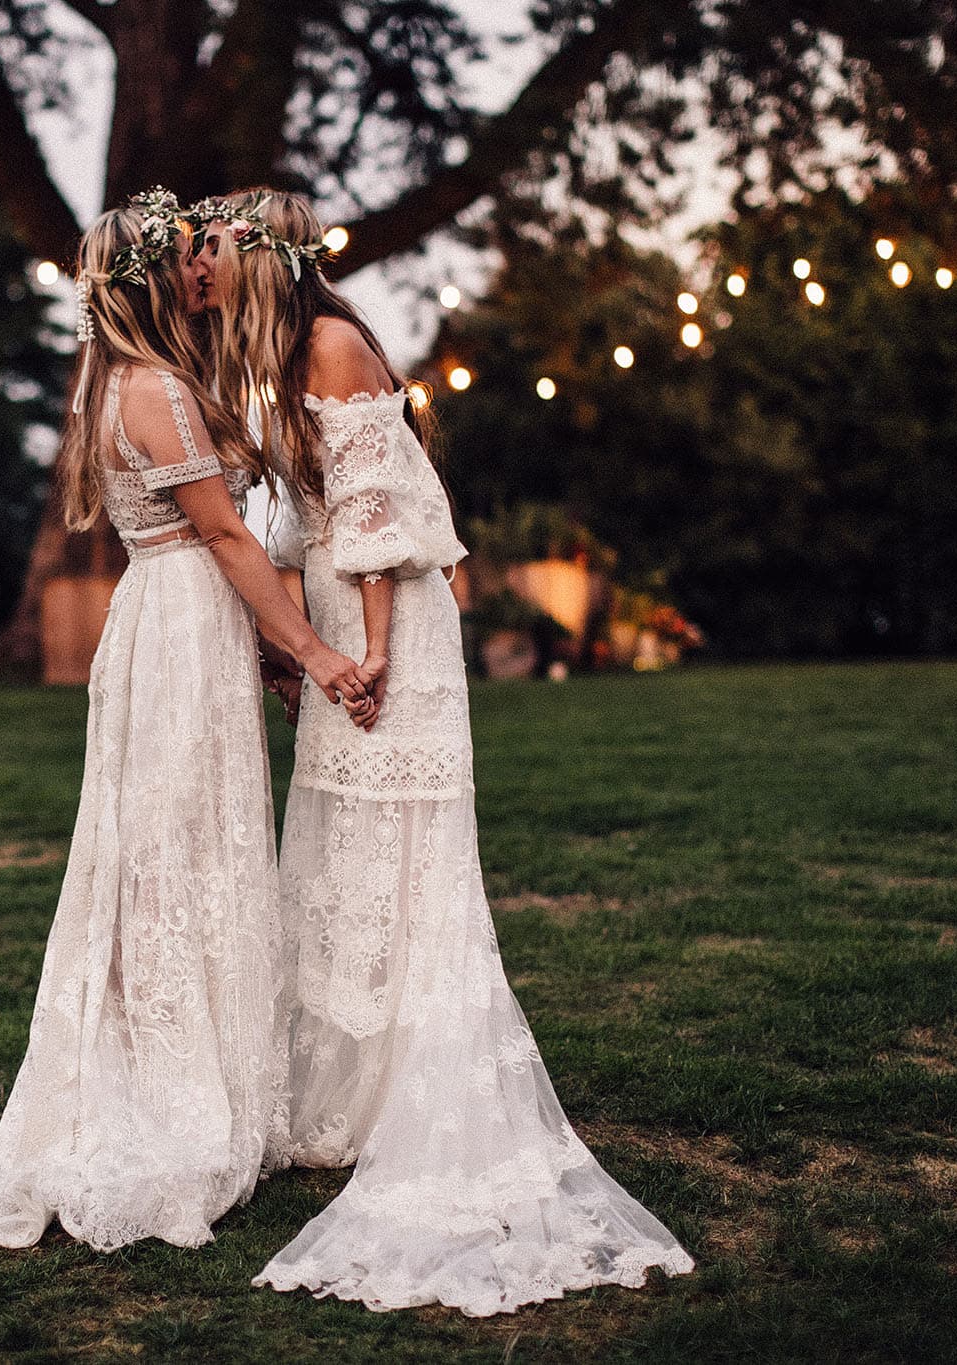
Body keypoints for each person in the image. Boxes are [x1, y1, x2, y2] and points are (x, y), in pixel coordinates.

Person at [185, 189, 699, 1314]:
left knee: (405, 855)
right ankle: (351, 1103)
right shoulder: (275, 358)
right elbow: (301, 522)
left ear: (261, 259)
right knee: (338, 854)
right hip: (338, 622)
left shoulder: (330, 345)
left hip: (395, 632)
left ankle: (424, 1096)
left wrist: (367, 653)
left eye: (210, 248)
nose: (197, 265)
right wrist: (292, 645)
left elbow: (373, 516)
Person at [0, 190, 374, 1254]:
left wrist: (267, 650)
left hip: (176, 623)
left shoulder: (124, 380)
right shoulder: (155, 386)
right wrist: (313, 653)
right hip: (177, 625)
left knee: (186, 844)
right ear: (150, 283)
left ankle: (207, 1060)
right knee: (178, 851)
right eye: (181, 257)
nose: (197, 270)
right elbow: (223, 538)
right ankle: (175, 1088)